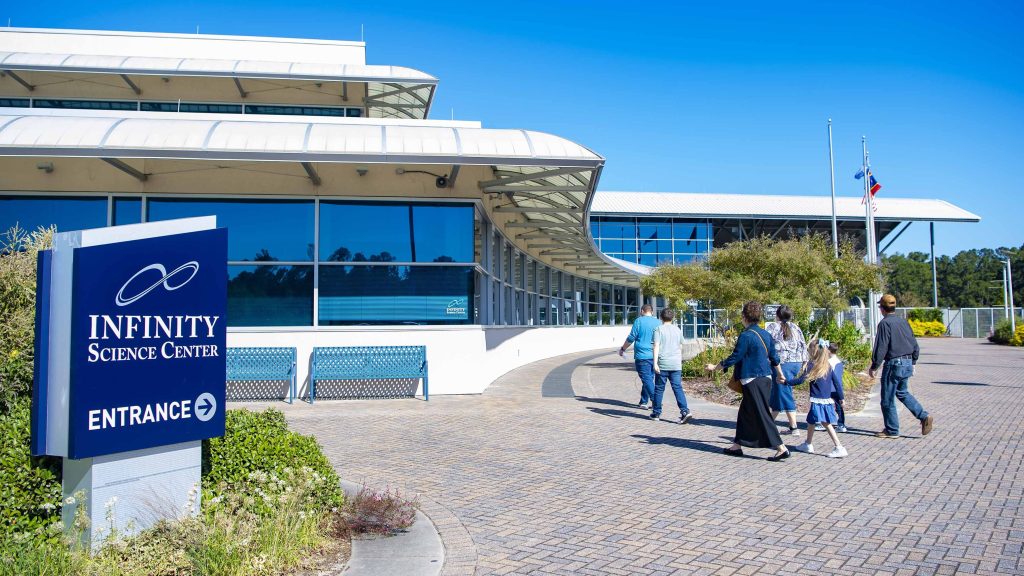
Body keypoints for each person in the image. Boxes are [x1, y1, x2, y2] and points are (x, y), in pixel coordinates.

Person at [707, 301, 790, 461]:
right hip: (765, 378)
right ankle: (737, 445)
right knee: (745, 413)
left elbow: (735, 356)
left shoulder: (746, 336)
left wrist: (715, 367)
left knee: (762, 414)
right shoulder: (765, 334)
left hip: (752, 380)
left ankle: (781, 448)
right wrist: (780, 374)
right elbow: (774, 357)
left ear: (744, 317)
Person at [868, 294, 934, 438]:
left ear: (882, 308)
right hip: (907, 362)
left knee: (887, 398)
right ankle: (923, 416)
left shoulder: (885, 324)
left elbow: (881, 347)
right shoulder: (903, 322)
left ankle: (892, 430)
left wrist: (874, 366)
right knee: (902, 392)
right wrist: (913, 361)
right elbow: (914, 343)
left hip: (893, 364)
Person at [784, 339, 849, 458]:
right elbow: (837, 383)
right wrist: (841, 398)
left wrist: (786, 382)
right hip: (825, 399)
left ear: (814, 351)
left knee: (826, 423)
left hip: (817, 400)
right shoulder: (827, 366)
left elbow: (801, 380)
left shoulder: (811, 365)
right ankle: (808, 444)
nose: (808, 351)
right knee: (811, 421)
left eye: (809, 349)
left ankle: (839, 446)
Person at [765, 305, 807, 436]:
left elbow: (767, 344)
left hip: (782, 363)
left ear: (777, 315)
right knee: (778, 391)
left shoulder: (773, 327)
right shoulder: (796, 327)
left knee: (784, 391)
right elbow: (803, 344)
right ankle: (768, 423)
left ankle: (794, 427)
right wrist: (804, 364)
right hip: (797, 362)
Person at [651, 308, 693, 424]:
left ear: (660, 317)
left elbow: (656, 346)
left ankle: (656, 412)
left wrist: (655, 363)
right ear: (673, 317)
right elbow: (681, 346)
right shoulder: (677, 330)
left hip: (663, 363)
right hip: (675, 364)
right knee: (677, 388)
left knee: (659, 388)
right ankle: (684, 411)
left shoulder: (658, 329)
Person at [618, 304, 660, 409]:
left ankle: (656, 401)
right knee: (649, 378)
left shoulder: (639, 321)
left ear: (642, 311)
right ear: (652, 312)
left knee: (647, 379)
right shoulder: (658, 322)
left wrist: (623, 349)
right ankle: (643, 402)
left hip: (642, 355)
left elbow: (631, 337)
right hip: (655, 355)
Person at [827, 342, 847, 433]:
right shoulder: (839, 361)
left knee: (825, 405)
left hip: (830, 387)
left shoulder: (829, 362)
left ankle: (824, 422)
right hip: (837, 388)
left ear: (829, 351)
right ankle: (841, 424)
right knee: (839, 407)